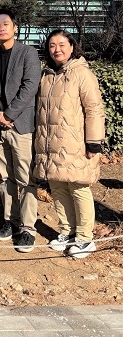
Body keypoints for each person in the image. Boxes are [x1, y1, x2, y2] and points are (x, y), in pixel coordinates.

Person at [34, 30, 105, 259]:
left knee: (79, 189)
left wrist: (93, 142)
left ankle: (85, 238)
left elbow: (94, 109)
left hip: (75, 144)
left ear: (72, 47)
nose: (57, 49)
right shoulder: (46, 75)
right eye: (52, 45)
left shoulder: (82, 73)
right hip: (49, 144)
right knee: (57, 188)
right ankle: (67, 231)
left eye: (62, 44)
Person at [0, 8, 41, 253]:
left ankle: (28, 228)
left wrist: (9, 114)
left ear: (14, 27)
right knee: (4, 177)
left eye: (5, 24)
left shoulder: (28, 53)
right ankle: (11, 221)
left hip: (21, 126)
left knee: (26, 178)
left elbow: (30, 86)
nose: (1, 28)